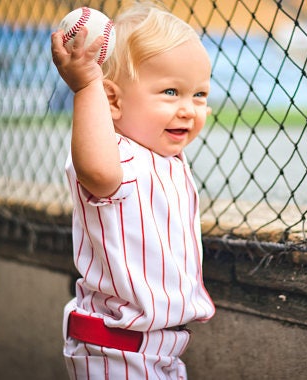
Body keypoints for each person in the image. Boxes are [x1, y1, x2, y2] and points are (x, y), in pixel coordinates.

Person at [51, 2, 215, 379]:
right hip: (114, 349)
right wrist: (87, 86)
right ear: (113, 100)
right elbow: (95, 169)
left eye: (200, 95)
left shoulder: (167, 159)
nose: (189, 109)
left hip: (161, 350)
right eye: (171, 92)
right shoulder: (117, 155)